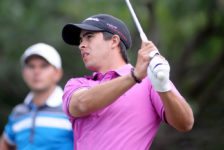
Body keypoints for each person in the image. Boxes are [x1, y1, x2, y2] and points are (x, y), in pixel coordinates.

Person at [61, 14, 194, 150]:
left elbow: (185, 123)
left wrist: (163, 86)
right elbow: (81, 104)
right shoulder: (77, 84)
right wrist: (134, 76)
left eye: (89, 37)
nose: (81, 45)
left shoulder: (149, 81)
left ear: (114, 41)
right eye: (80, 40)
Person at [0, 43, 74, 150]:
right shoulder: (18, 112)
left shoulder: (71, 109)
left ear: (57, 73)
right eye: (31, 66)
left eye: (44, 66)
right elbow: (5, 143)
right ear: (24, 73)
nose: (36, 72)